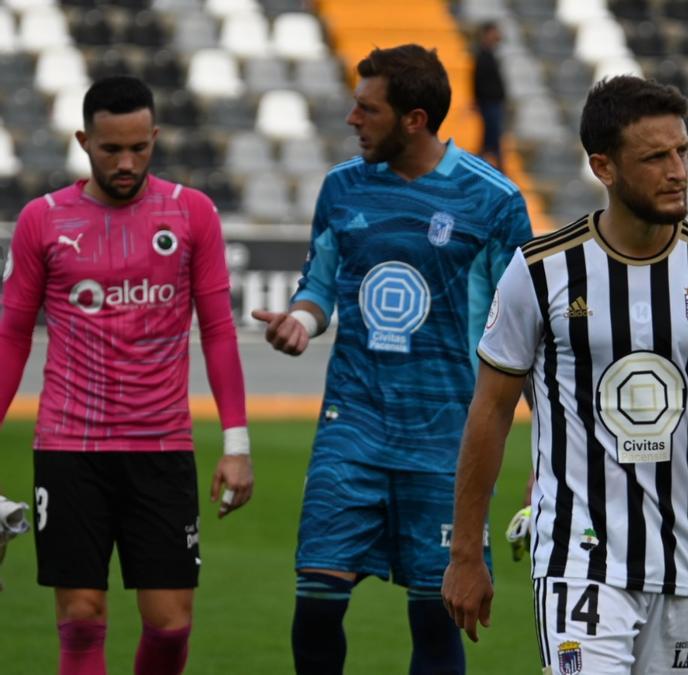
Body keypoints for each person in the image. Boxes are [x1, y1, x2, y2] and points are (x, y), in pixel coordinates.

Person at [442, 75, 688, 674]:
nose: (677, 170)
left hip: (682, 564)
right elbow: (491, 411)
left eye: (682, 151)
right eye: (655, 157)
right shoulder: (542, 271)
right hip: (580, 560)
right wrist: (466, 552)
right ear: (604, 167)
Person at [251, 44, 532, 675]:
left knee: (437, 618)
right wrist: (301, 320)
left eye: (366, 108)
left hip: (446, 441)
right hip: (352, 427)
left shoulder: (494, 200)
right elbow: (319, 282)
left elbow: (525, 331)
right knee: (317, 602)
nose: (352, 119)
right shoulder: (342, 188)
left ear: (414, 118)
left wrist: (548, 457)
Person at [0, 75, 254, 675]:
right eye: (111, 149)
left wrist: (237, 443)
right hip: (69, 447)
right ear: (84, 140)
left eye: (140, 148)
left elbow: (219, 331)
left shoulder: (192, 214)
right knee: (82, 619)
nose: (126, 162)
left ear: (156, 137)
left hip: (161, 446)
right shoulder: (44, 220)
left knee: (170, 627)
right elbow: (11, 335)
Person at [472, 21, 507, 172]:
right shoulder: (483, 55)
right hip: (489, 104)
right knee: (492, 140)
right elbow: (477, 81)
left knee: (490, 141)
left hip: (493, 104)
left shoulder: (491, 55)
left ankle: (493, 169)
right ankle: (500, 172)